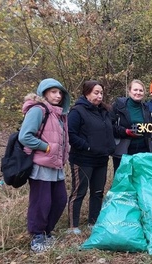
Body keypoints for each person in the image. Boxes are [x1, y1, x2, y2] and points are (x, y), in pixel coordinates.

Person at [18, 78, 71, 253]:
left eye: (60, 92)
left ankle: (47, 232)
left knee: (60, 199)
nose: (57, 95)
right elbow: (25, 136)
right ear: (44, 93)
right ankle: (37, 236)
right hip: (41, 164)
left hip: (56, 165)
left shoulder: (59, 114)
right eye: (53, 92)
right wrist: (46, 147)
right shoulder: (38, 110)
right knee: (41, 202)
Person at [67, 80, 115, 235]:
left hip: (101, 159)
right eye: (96, 92)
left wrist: (110, 148)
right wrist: (87, 146)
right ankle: (73, 226)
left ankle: (93, 223)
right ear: (86, 93)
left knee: (97, 192)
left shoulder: (104, 111)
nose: (99, 96)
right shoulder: (77, 111)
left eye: (101, 93)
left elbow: (109, 131)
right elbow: (71, 134)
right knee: (79, 192)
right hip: (82, 159)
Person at [111, 79, 152, 173]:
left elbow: (151, 126)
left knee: (140, 180)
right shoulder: (118, 106)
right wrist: (125, 131)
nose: (138, 93)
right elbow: (110, 127)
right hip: (124, 151)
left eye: (141, 90)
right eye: (135, 90)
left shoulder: (146, 108)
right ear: (129, 91)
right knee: (123, 181)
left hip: (143, 151)